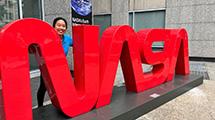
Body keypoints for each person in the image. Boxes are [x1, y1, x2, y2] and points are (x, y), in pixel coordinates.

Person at [37, 17, 73, 107]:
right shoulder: (47, 39)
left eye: (64, 26)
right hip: (48, 68)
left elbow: (79, 43)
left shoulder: (67, 39)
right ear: (53, 27)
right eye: (59, 25)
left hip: (61, 68)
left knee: (63, 87)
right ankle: (40, 107)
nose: (61, 28)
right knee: (43, 87)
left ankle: (65, 105)